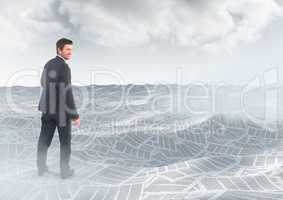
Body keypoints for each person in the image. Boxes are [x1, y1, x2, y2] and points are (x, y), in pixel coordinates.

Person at [37, 38, 80, 179]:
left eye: (71, 50)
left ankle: (41, 168)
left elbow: (43, 82)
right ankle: (65, 172)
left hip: (47, 109)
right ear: (59, 50)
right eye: (67, 49)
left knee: (44, 139)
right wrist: (74, 115)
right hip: (61, 112)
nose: (70, 52)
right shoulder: (64, 67)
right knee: (65, 143)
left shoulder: (48, 63)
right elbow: (67, 93)